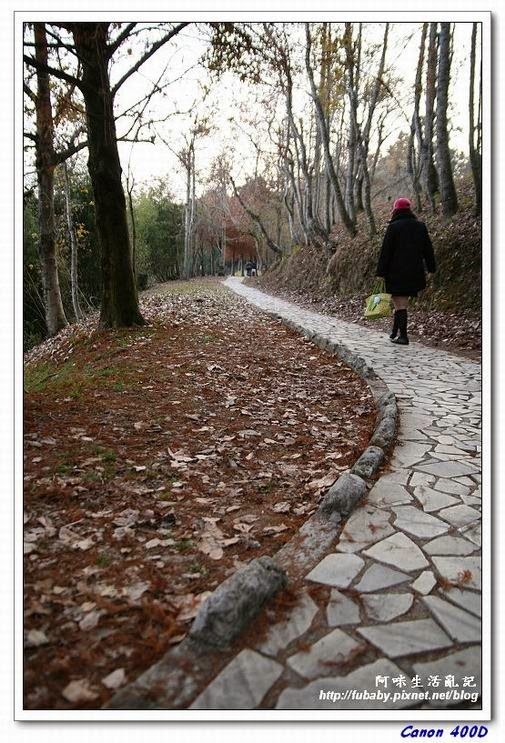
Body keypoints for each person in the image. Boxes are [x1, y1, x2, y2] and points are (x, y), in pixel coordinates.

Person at [376, 197, 436, 346]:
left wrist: (380, 272)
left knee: (400, 305)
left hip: (396, 273)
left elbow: (386, 252)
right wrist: (431, 268)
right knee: (400, 303)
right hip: (415, 272)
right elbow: (428, 249)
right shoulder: (420, 226)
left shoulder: (394, 227)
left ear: (395, 210)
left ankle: (403, 336)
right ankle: (394, 332)